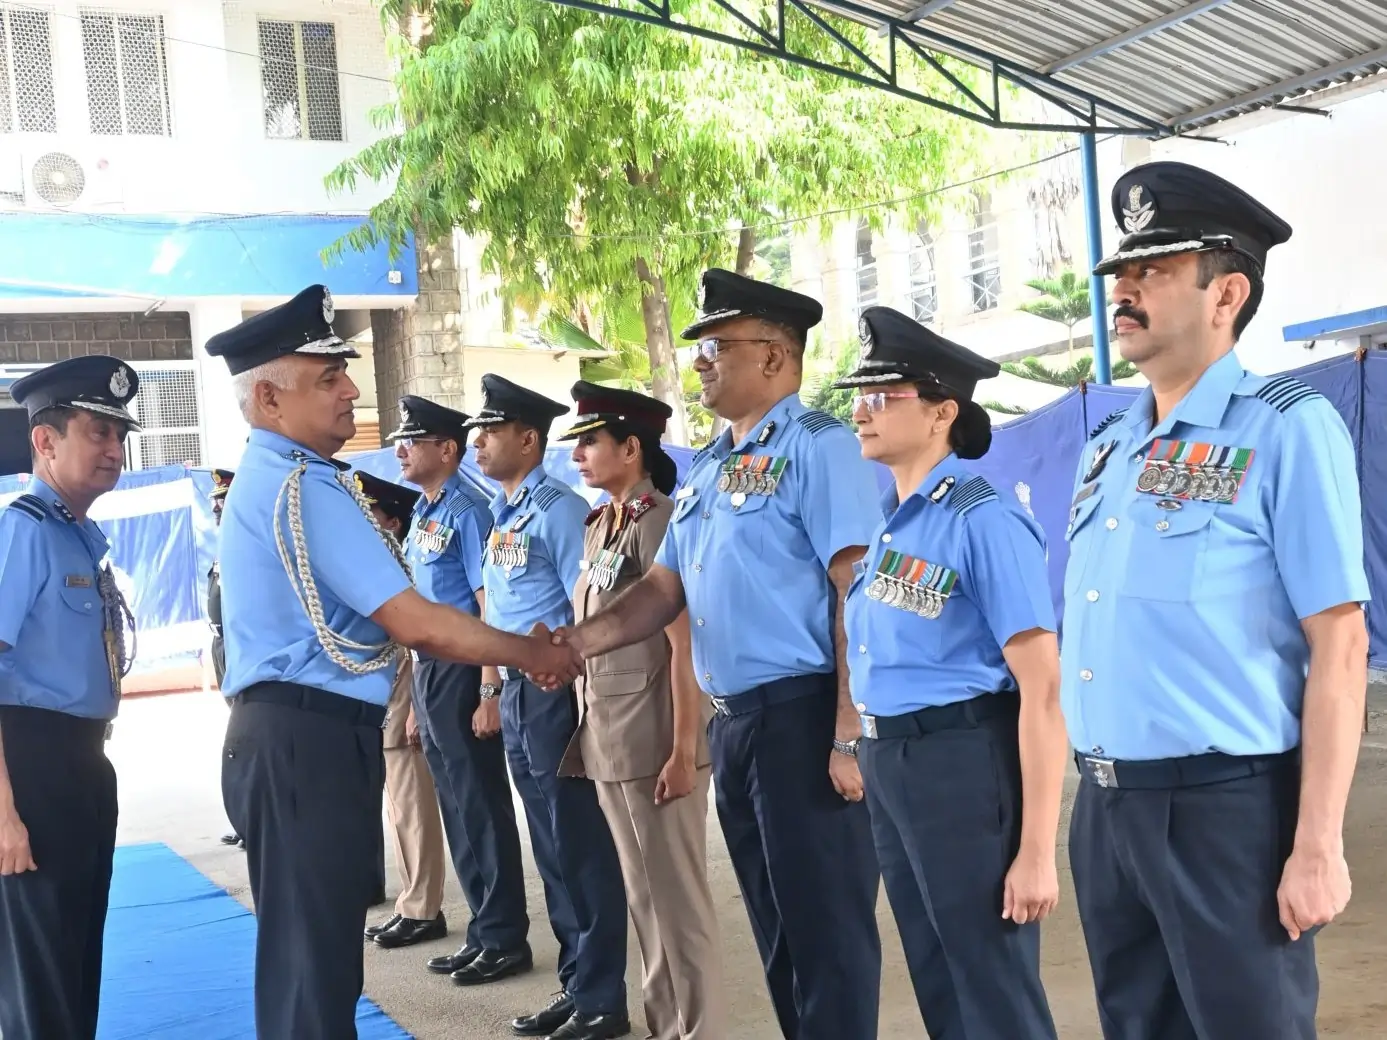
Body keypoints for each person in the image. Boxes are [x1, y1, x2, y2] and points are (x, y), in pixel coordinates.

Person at [204, 285, 581, 1040]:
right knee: (313, 970)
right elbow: (415, 622)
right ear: (270, 398)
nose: (351, 390)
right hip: (303, 742)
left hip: (303, 734)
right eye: (328, 379)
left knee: (317, 962)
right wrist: (533, 652)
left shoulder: (292, 478)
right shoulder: (301, 485)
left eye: (344, 373)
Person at [1064, 162, 1370, 1039]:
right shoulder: (1111, 445)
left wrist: (1316, 841)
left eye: (1150, 271)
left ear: (1226, 291)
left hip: (1221, 812)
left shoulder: (1282, 426)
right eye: (1121, 274)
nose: (1123, 290)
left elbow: (1338, 644)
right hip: (1107, 809)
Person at [551, 270, 883, 1040]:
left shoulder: (818, 446)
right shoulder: (708, 466)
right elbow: (662, 590)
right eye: (699, 347)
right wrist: (577, 643)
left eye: (716, 346)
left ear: (772, 355)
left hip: (802, 718)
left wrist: (847, 732)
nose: (699, 361)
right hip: (736, 725)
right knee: (777, 931)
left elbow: (852, 593)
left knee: (826, 933)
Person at [837, 306, 1065, 1038]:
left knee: (990, 981)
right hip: (892, 760)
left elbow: (1042, 688)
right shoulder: (890, 521)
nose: (860, 411)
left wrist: (1035, 852)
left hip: (961, 763)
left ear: (942, 410)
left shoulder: (981, 519)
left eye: (882, 395)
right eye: (859, 395)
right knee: (937, 970)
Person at [557, 382, 726, 1040]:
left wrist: (684, 750)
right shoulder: (602, 523)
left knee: (677, 904)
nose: (578, 455)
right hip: (609, 736)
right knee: (643, 900)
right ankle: (666, 1027)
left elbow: (683, 644)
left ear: (632, 448)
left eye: (590, 442)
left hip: (656, 740)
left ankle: (699, 1030)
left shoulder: (659, 521)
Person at [468, 373, 630, 1040]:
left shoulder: (560, 509)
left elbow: (584, 609)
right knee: (552, 850)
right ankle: (576, 984)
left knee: (579, 848)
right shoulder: (506, 511)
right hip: (516, 691)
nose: (476, 442)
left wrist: (572, 690)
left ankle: (602, 999)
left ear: (528, 439)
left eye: (491, 432)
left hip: (554, 695)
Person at [0, 355, 139, 1040]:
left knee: (76, 955)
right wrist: (3, 816)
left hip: (83, 764)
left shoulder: (79, 534)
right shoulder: (21, 531)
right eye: (97, 433)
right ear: (45, 441)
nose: (115, 450)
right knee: (40, 975)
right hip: (31, 768)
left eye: (120, 436)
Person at [384, 394, 530, 967]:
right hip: (430, 668)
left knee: (480, 800)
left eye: (411, 441)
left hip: (466, 664)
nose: (400, 450)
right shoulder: (426, 508)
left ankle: (503, 936)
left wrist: (489, 686)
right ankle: (481, 926)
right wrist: (419, 697)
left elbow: (483, 599)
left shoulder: (468, 509)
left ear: (446, 449)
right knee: (454, 801)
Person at [354, 470, 450, 950]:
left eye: (371, 515)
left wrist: (413, 707)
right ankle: (412, 901)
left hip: (406, 690)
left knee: (414, 807)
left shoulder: (402, 565)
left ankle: (424, 906)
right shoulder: (383, 563)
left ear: (393, 521)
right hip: (386, 692)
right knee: (398, 809)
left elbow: (415, 644)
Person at [207, 468, 247, 850]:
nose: (218, 506)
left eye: (224, 499)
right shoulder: (223, 544)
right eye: (216, 502)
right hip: (222, 645)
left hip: (240, 644)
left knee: (244, 736)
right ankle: (242, 817)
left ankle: (249, 819)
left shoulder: (244, 542)